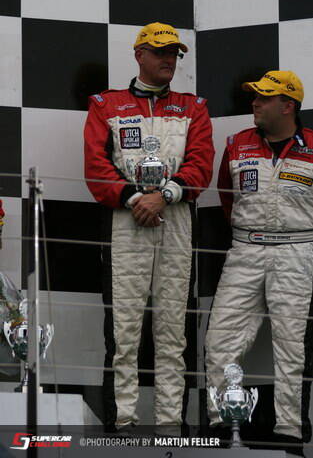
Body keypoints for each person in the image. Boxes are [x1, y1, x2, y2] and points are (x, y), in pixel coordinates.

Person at [205, 70, 313, 457]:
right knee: (220, 340)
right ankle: (223, 427)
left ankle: (290, 436)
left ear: (288, 105)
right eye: (254, 96)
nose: (254, 103)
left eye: (264, 97)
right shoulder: (237, 144)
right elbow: (227, 197)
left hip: (298, 253)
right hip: (245, 250)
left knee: (293, 348)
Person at [84, 22, 214, 432]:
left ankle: (170, 425)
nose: (168, 59)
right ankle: (122, 425)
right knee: (124, 330)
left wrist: (166, 195)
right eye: (160, 52)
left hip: (176, 219)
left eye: (174, 53)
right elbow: (95, 167)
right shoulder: (106, 104)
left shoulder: (194, 107)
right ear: (139, 54)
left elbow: (201, 164)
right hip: (125, 220)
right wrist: (136, 199)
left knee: (173, 331)